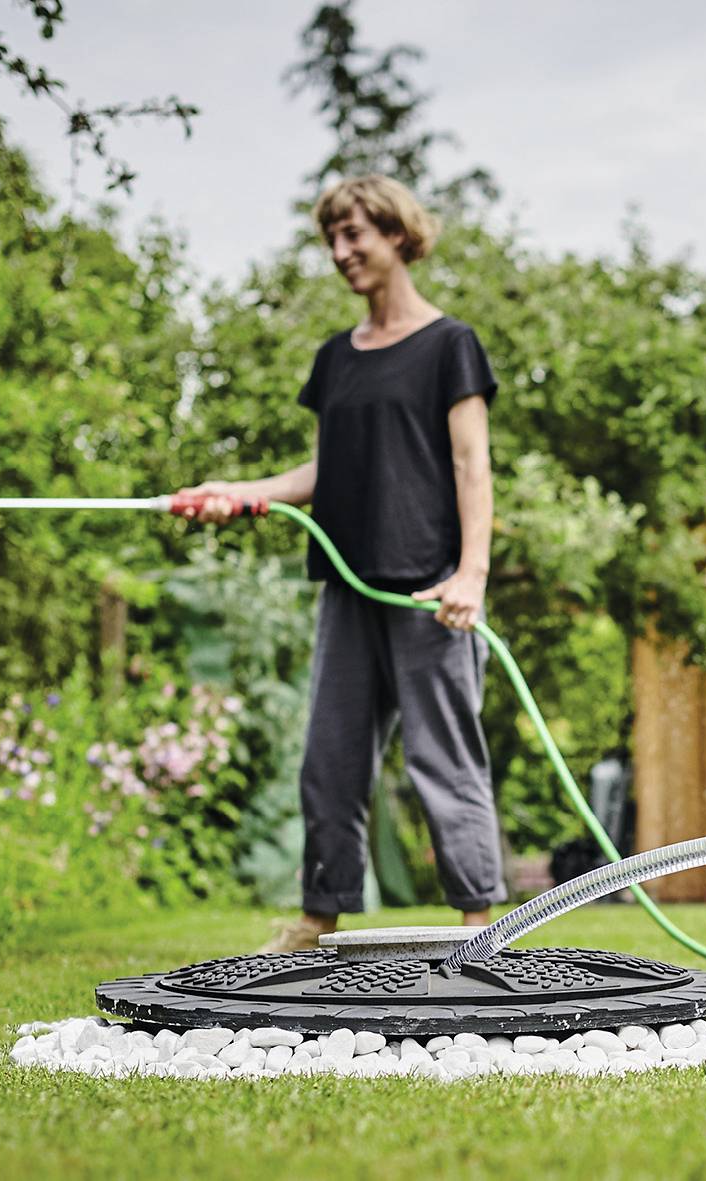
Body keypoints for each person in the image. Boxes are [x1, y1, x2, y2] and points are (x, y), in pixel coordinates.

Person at [180, 175, 507, 952]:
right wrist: (241, 492)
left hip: (430, 588)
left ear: (398, 235)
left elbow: (472, 466)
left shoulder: (448, 345)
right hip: (348, 586)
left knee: (443, 759)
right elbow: (321, 472)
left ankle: (480, 926)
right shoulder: (337, 358)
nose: (341, 251)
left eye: (354, 234)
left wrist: (471, 574)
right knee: (329, 759)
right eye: (332, 237)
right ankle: (318, 918)